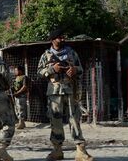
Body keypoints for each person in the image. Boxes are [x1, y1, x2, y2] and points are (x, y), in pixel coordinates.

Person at [37, 28, 93, 161]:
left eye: (63, 37)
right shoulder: (46, 55)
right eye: (59, 37)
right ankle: (57, 150)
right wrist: (52, 69)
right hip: (54, 92)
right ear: (53, 39)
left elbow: (80, 68)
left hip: (70, 90)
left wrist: (74, 70)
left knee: (75, 119)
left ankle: (80, 150)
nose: (62, 39)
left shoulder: (71, 52)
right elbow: (39, 72)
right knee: (55, 120)